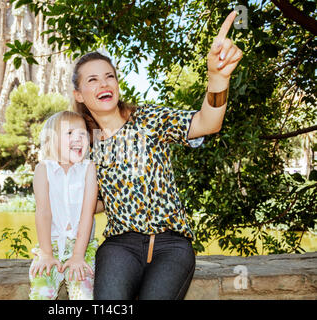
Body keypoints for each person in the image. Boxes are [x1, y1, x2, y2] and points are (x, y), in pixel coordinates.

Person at [72, 12, 243, 299]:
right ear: (78, 94)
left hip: (171, 245)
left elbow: (207, 122)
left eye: (109, 76)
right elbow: (94, 203)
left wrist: (217, 78)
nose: (104, 84)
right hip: (120, 246)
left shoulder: (149, 118)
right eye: (92, 80)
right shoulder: (84, 145)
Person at [28, 110, 99, 300]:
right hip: (49, 243)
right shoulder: (43, 169)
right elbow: (43, 213)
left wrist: (78, 255)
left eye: (82, 134)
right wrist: (46, 253)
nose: (78, 138)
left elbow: (87, 213)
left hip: (81, 245)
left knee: (82, 293)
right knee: (41, 292)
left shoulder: (88, 169)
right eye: (69, 133)